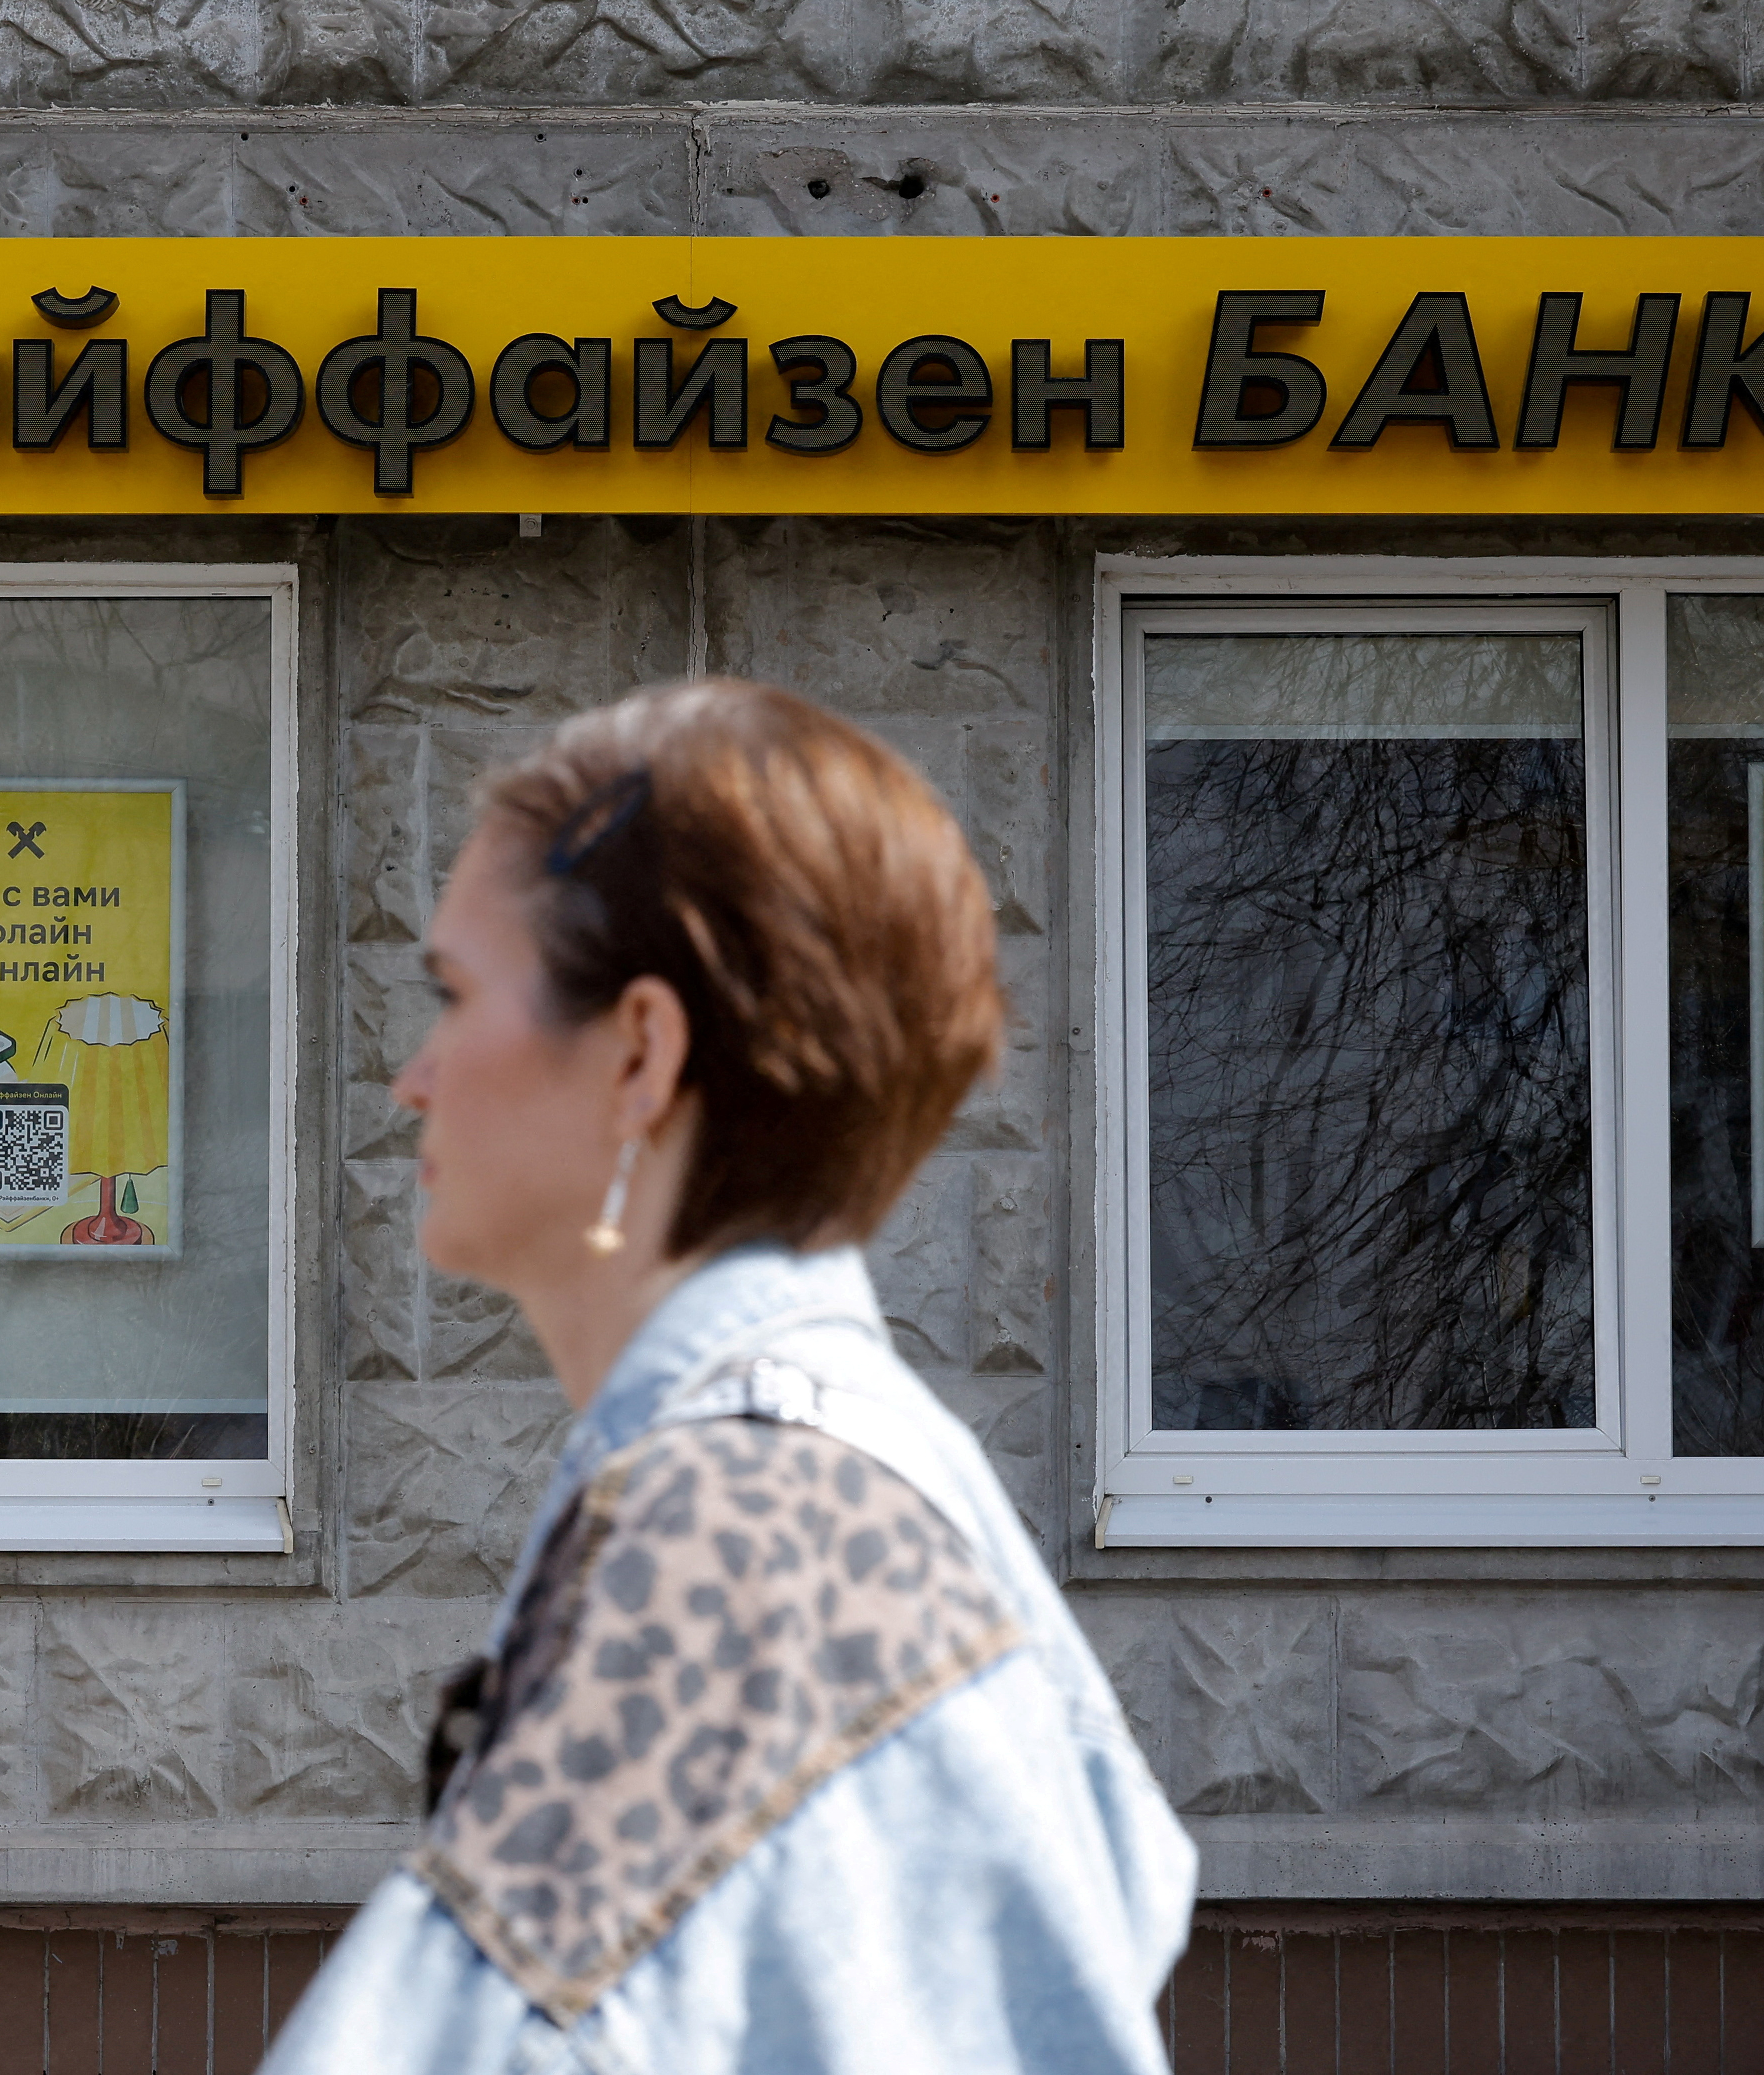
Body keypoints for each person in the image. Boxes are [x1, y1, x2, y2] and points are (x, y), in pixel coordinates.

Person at [261, 678, 1197, 2075]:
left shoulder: (737, 1537)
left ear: (641, 1048)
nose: (412, 1075)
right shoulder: (855, 1478)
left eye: (453, 992)